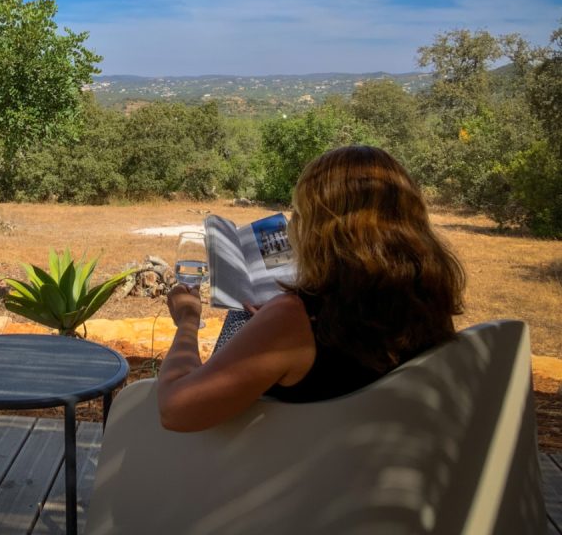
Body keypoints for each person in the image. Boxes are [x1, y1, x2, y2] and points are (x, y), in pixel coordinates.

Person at [157, 145, 465, 432]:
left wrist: (187, 321)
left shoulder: (295, 320)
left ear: (321, 232)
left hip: (280, 482)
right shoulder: (428, 306)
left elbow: (174, 410)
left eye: (299, 215)